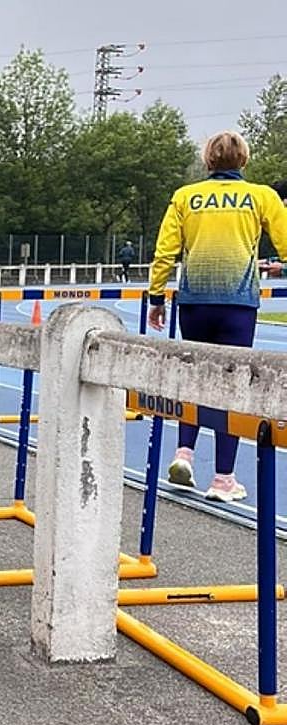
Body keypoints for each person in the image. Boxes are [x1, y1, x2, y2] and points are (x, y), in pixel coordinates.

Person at [149, 131, 287, 502]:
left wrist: (155, 296)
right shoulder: (262, 196)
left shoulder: (185, 197)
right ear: (243, 160)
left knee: (194, 379)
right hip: (238, 304)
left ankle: (184, 454)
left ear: (208, 160)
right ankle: (224, 478)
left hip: (194, 301)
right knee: (232, 387)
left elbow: (165, 251)